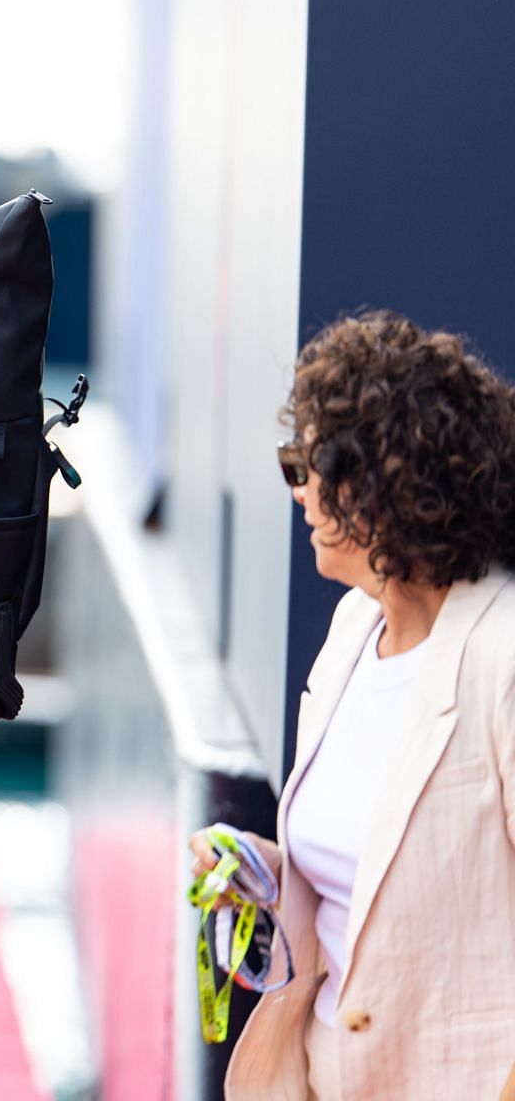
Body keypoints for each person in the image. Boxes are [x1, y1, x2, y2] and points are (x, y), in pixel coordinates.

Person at [188, 311, 515, 1100]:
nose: (295, 489)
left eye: (305, 463)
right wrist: (273, 871)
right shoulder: (354, 628)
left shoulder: (501, 655)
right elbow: (382, 880)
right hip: (312, 1073)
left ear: (382, 483)